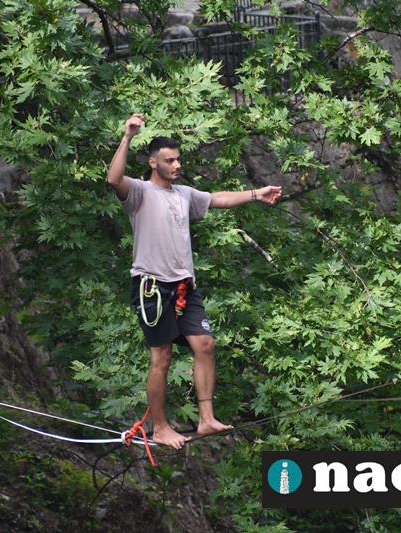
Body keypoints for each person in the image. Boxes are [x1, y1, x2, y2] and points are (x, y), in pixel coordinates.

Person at [107, 113, 282, 449]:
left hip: (185, 286)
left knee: (205, 345)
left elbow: (216, 198)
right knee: (162, 357)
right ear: (153, 163)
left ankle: (206, 420)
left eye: (178, 159)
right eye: (169, 160)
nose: (176, 165)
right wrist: (127, 136)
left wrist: (256, 194)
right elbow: (114, 178)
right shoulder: (140, 192)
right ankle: (159, 428)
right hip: (152, 286)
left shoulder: (183, 194)